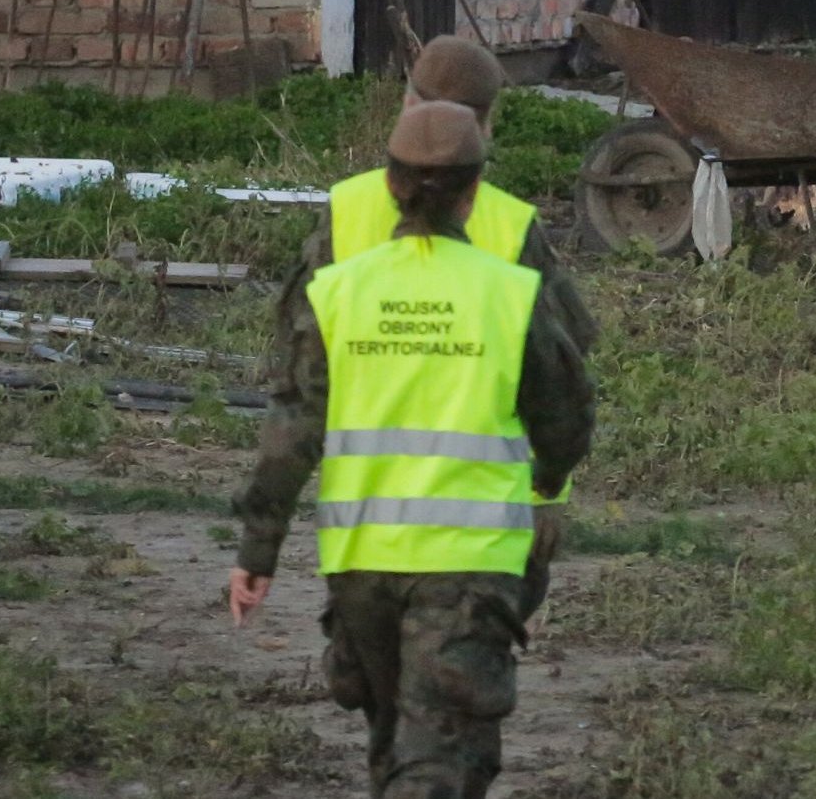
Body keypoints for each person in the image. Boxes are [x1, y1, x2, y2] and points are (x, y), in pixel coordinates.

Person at [227, 102, 595, 799]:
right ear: (474, 191)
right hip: (469, 564)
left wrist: (258, 551)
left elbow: (293, 428)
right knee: (436, 757)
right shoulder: (509, 294)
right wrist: (547, 478)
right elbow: (566, 417)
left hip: (361, 563)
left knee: (392, 744)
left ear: (391, 186)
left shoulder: (339, 291)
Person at [300, 36, 594, 623]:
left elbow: (301, 367)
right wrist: (549, 495)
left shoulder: (346, 208)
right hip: (482, 526)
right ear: (485, 127)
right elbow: (561, 376)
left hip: (366, 523)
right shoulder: (511, 225)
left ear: (407, 103)